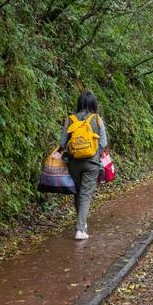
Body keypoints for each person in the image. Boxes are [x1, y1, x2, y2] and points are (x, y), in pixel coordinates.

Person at [58, 91, 109, 240]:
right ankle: (80, 229)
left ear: (79, 103)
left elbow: (62, 143)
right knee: (86, 194)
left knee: (78, 192)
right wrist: (96, 154)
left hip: (74, 163)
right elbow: (104, 143)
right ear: (93, 104)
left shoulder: (70, 119)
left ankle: (82, 222)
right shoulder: (97, 119)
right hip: (92, 163)